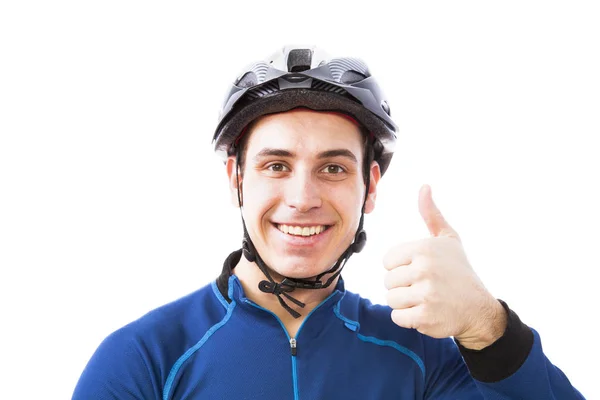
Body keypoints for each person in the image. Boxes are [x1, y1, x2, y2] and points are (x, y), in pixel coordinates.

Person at [72, 46, 585, 399]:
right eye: (276, 165)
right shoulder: (145, 357)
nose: (303, 198)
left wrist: (488, 328)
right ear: (236, 179)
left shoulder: (419, 356)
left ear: (372, 187)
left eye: (333, 168)